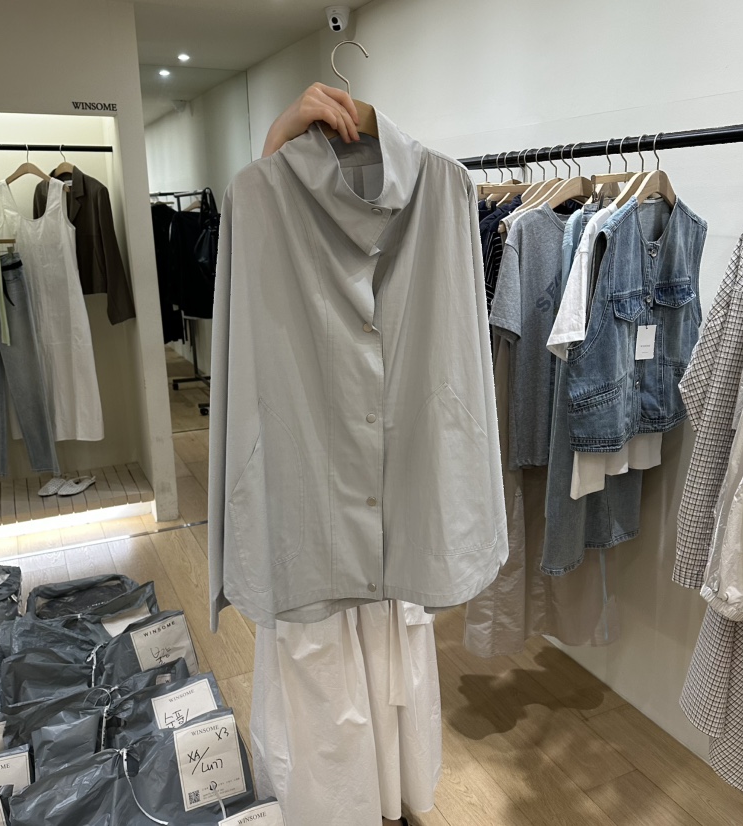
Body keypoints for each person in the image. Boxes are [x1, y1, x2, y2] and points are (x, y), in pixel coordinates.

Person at [252, 83, 438, 826]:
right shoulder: (275, 194)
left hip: (389, 464)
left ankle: (387, 794)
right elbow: (257, 239)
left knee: (386, 630)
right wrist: (282, 130)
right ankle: (342, 805)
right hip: (308, 461)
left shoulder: (428, 194)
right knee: (320, 641)